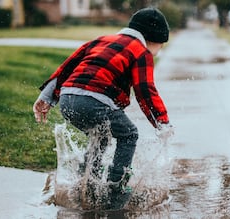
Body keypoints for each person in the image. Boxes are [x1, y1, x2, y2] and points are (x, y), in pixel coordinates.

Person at [33, 7, 174, 209]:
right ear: (153, 39)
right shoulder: (141, 52)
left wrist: (46, 97)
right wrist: (162, 122)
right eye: (161, 44)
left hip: (67, 99)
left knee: (101, 135)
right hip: (93, 101)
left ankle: (87, 182)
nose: (160, 49)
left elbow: (68, 66)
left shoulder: (100, 40)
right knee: (129, 134)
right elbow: (145, 90)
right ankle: (115, 188)